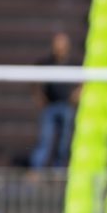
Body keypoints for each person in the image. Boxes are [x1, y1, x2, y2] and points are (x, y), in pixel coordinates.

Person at [30, 32, 80, 169]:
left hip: (66, 106)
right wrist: (39, 98)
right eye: (56, 44)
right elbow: (33, 81)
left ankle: (59, 169)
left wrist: (76, 95)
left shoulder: (73, 64)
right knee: (45, 139)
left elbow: (84, 81)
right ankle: (37, 168)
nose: (59, 47)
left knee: (64, 141)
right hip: (50, 106)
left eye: (61, 44)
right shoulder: (46, 63)